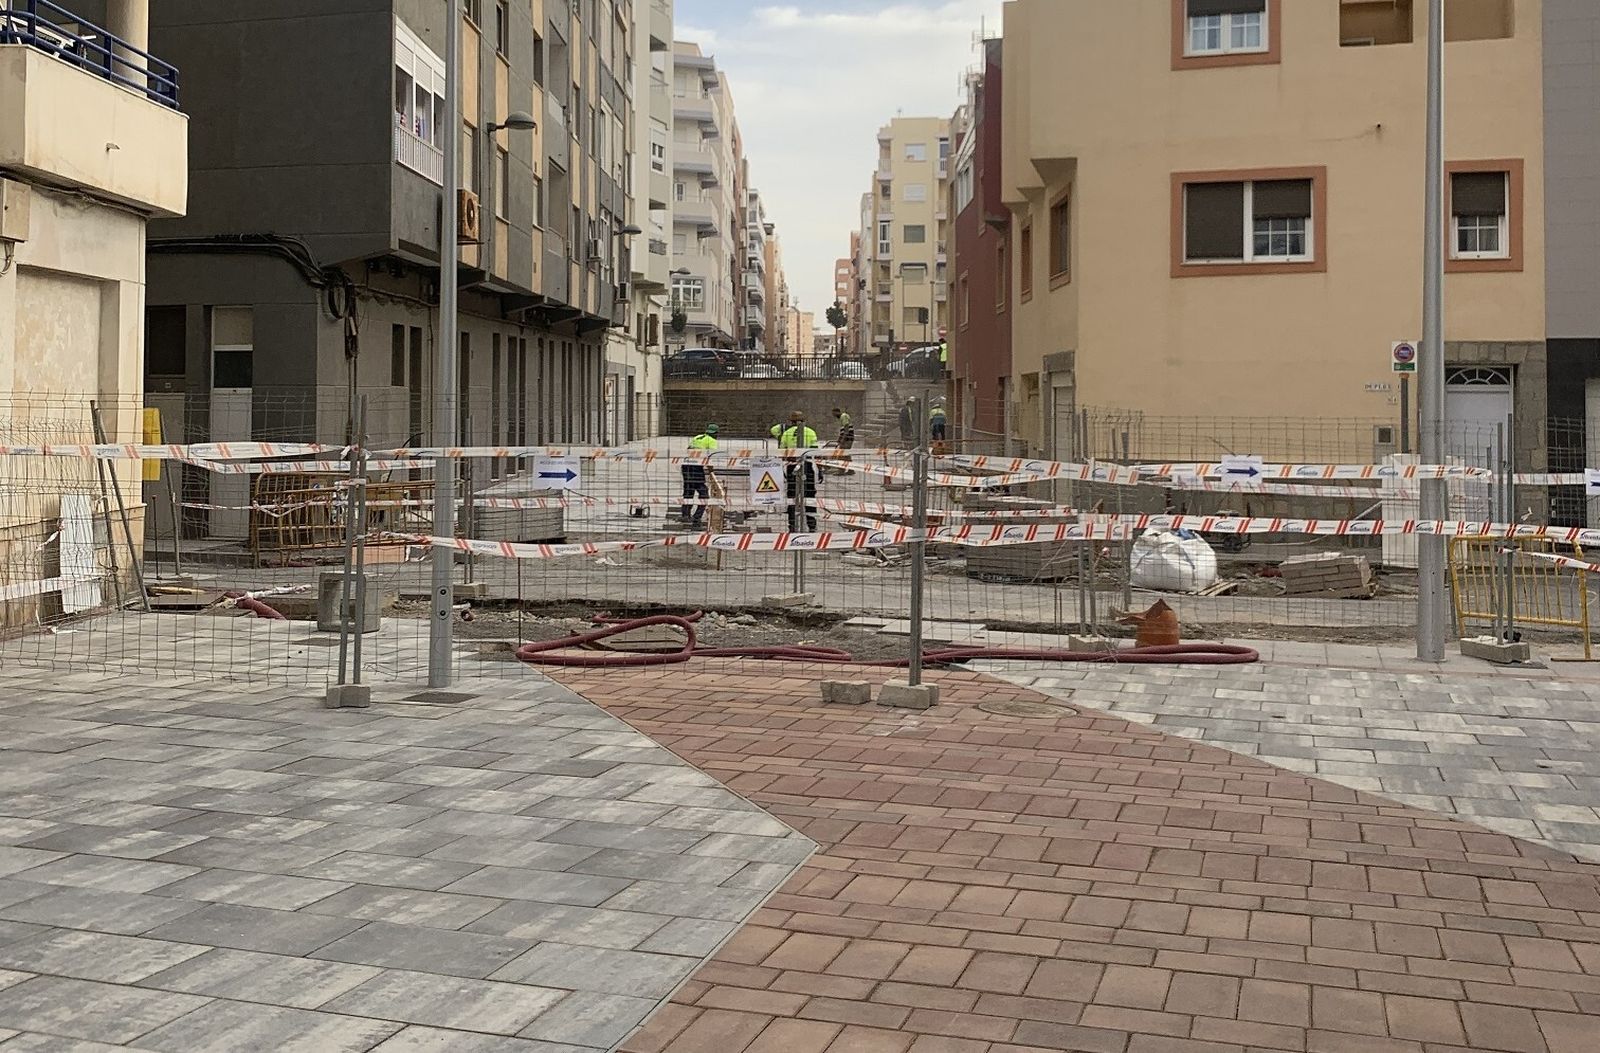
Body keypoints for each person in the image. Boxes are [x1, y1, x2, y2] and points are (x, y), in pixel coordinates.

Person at [778, 410, 820, 532]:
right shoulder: (810, 432)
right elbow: (815, 452)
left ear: (791, 422)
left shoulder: (786, 434)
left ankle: (792, 525)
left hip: (792, 466)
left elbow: (782, 453)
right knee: (809, 496)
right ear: (804, 421)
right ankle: (811, 525)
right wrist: (820, 470)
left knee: (792, 497)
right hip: (807, 465)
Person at [680, 423, 718, 527]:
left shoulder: (698, 437)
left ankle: (685, 515)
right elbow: (710, 457)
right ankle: (696, 518)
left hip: (685, 465)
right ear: (716, 433)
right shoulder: (712, 441)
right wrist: (711, 472)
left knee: (688, 491)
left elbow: (688, 449)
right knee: (704, 493)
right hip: (695, 467)